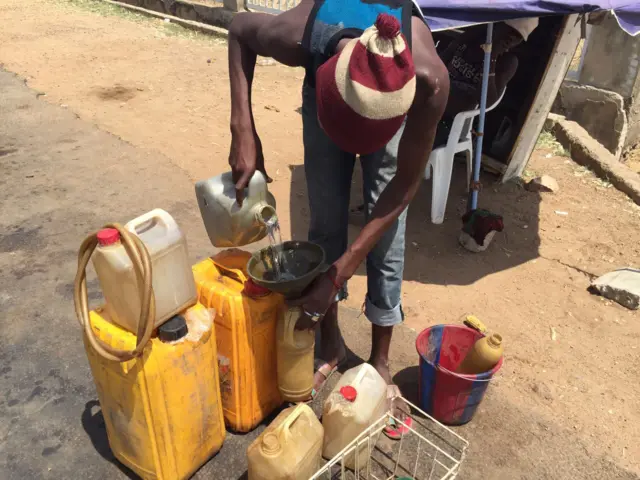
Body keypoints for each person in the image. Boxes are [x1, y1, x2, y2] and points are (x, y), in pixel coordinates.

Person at [227, 0, 449, 414]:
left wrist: (341, 270)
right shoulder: (296, 38)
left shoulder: (428, 78)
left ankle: (379, 362)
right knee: (325, 219)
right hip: (327, 101)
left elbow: (401, 191)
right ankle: (331, 342)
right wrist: (243, 128)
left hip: (386, 106)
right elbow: (239, 28)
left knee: (386, 238)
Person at [434, 18, 539, 148]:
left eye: (517, 37)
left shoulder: (507, 62)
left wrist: (491, 57)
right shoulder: (470, 38)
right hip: (436, 96)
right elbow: (441, 61)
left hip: (454, 118)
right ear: (497, 25)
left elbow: (487, 102)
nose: (511, 38)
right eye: (510, 31)